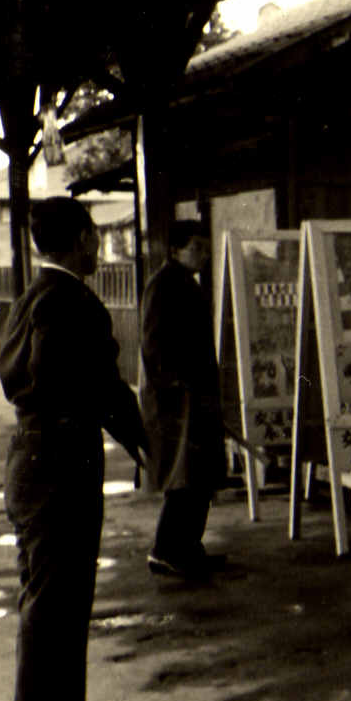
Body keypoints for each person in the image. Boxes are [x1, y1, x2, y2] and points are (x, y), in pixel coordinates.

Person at [0, 198, 147, 701]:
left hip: (36, 460)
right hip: (59, 464)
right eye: (95, 237)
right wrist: (148, 442)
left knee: (61, 597)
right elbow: (96, 386)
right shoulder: (71, 302)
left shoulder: (33, 297)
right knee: (52, 602)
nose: (99, 247)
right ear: (81, 238)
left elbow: (18, 375)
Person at [139, 220, 228, 580]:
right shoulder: (163, 284)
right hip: (178, 400)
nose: (203, 255)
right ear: (175, 250)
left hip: (197, 393)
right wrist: (175, 384)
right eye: (196, 247)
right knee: (185, 476)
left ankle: (189, 547)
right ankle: (165, 551)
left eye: (205, 248)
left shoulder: (186, 282)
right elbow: (152, 344)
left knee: (201, 475)